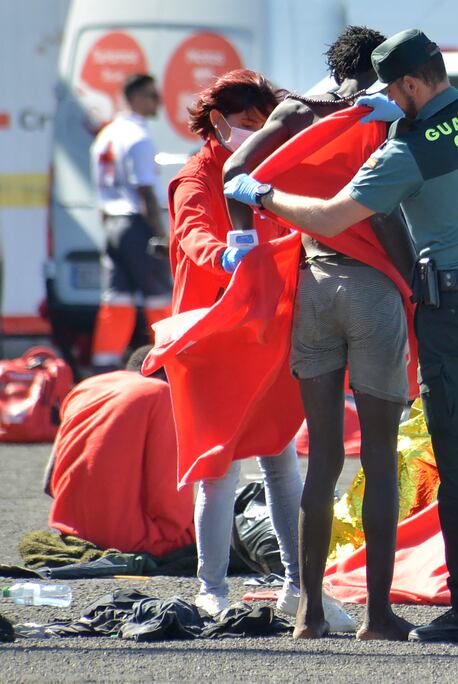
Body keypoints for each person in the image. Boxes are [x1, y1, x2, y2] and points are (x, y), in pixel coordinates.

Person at [225, 28, 458, 643]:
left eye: (394, 93)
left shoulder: (403, 153)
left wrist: (263, 194)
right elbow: (445, 127)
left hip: (454, 310)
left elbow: (331, 217)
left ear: (407, 83)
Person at [222, 26, 416, 641]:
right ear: (381, 67)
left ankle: (308, 612)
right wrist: (414, 281)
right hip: (373, 289)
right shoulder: (381, 116)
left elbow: (234, 171)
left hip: (312, 285)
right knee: (379, 458)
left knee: (324, 457)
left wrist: (243, 242)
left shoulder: (299, 111)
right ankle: (379, 616)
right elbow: (381, 212)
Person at [166, 69, 356, 630]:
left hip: (268, 330)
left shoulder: (262, 167)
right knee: (217, 468)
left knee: (280, 458)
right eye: (246, 127)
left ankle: (299, 587)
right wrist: (226, 254)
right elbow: (194, 231)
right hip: (210, 335)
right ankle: (211, 590)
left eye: (261, 126)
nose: (253, 136)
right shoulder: (193, 178)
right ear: (217, 124)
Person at [44, 346, 194, 556]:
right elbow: (169, 497)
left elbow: (49, 483)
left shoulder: (86, 387)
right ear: (169, 375)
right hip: (130, 539)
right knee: (225, 524)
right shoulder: (161, 392)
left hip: (70, 530)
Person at [89, 73, 172, 372]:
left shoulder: (106, 135)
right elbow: (145, 189)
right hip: (136, 225)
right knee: (160, 295)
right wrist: (162, 234)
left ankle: (104, 366)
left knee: (117, 298)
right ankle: (168, 362)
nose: (157, 101)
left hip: (112, 224)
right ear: (136, 98)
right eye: (151, 95)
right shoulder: (138, 137)